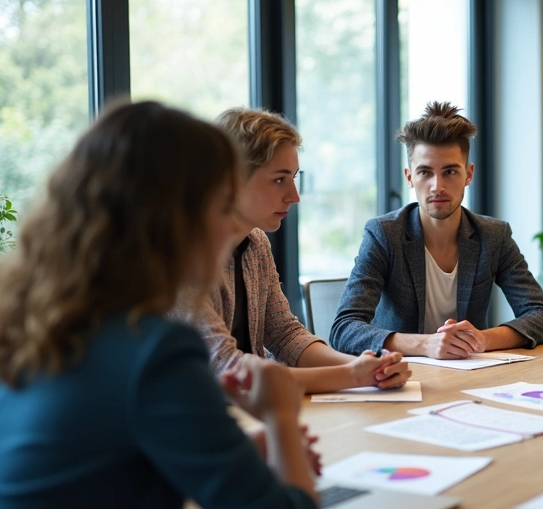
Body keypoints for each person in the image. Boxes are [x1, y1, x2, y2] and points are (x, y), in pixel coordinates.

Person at [0, 102, 318, 509]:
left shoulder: (20, 329)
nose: (231, 225)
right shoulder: (155, 349)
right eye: (221, 207)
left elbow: (92, 456)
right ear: (176, 221)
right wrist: (280, 417)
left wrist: (234, 445)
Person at [174, 107, 411, 393]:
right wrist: (352, 376)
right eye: (279, 180)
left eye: (294, 178)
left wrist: (366, 365)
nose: (294, 196)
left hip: (255, 412)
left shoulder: (256, 243)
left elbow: (285, 335)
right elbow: (229, 370)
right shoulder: (182, 254)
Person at [330, 101, 543, 358]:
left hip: (469, 376)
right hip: (400, 376)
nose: (437, 186)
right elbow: (344, 329)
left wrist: (481, 339)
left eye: (450, 171)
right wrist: (426, 344)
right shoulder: (384, 234)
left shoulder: (493, 236)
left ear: (468, 175)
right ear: (409, 178)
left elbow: (542, 317)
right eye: (425, 172)